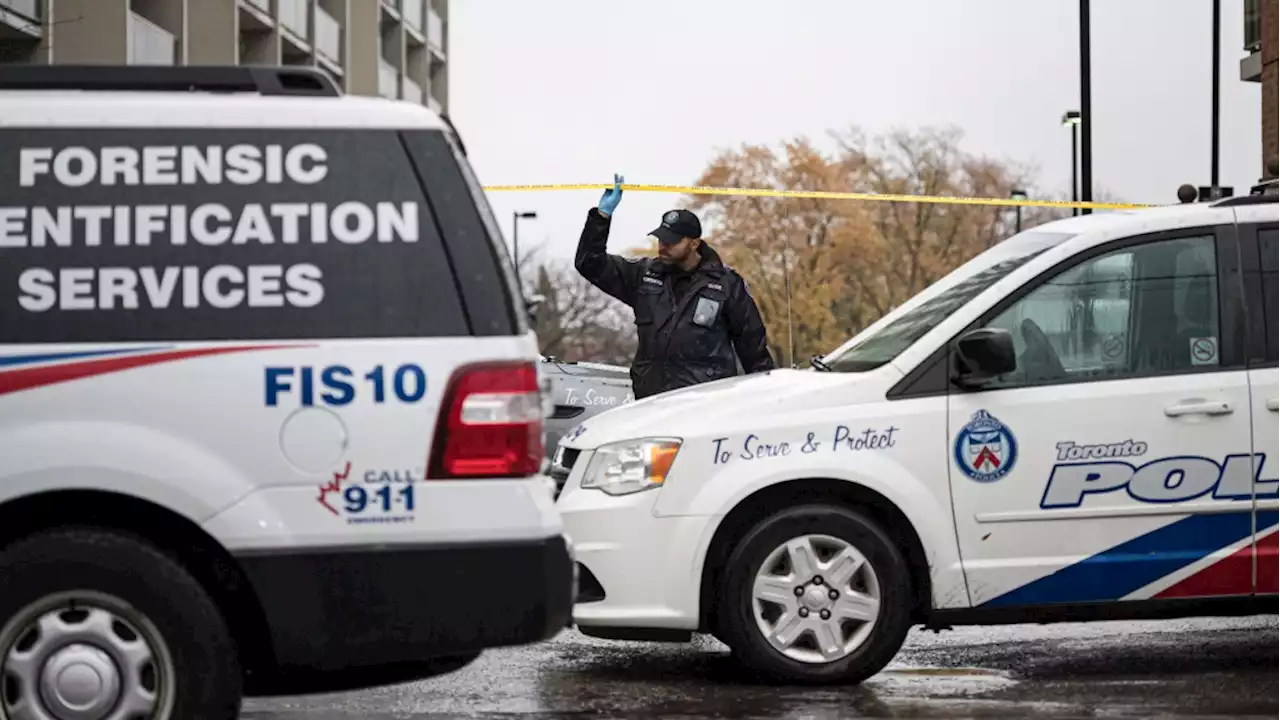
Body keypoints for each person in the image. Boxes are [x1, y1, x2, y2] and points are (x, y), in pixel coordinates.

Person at [574, 174, 776, 399]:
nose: (663, 246)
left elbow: (753, 350)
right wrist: (601, 217)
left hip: (706, 404)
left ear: (694, 243)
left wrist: (766, 397)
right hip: (651, 402)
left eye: (671, 241)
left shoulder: (727, 284)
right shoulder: (643, 276)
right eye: (661, 239)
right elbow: (589, 263)